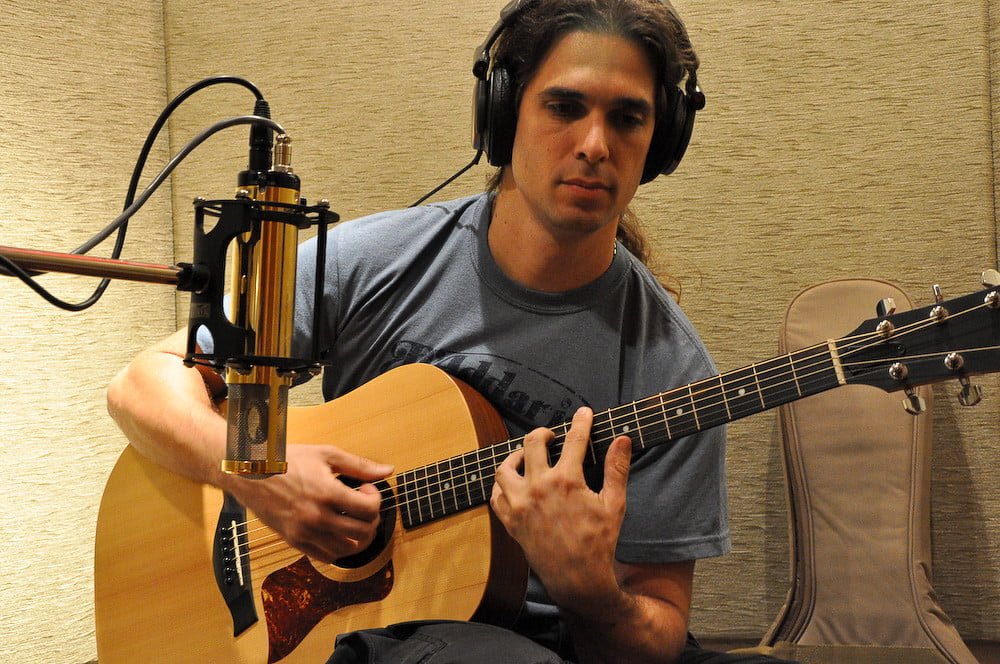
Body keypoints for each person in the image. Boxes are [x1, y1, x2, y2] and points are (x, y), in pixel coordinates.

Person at [108, 1, 796, 662]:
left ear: (662, 141)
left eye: (628, 119)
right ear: (502, 114)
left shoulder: (672, 370)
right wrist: (264, 477)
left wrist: (592, 594)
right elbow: (140, 387)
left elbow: (652, 637)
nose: (594, 145)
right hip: (382, 635)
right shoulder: (373, 262)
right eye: (564, 106)